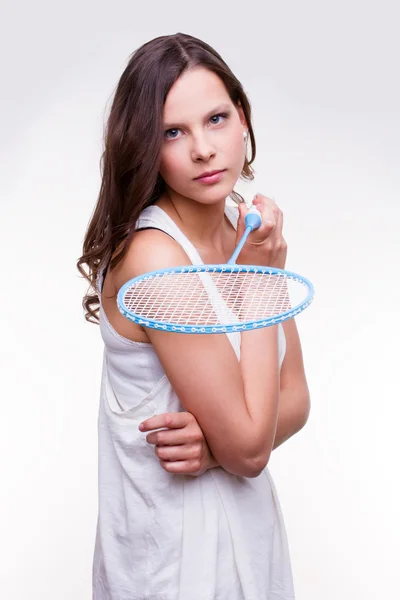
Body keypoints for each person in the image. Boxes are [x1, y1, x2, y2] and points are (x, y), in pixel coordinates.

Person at [77, 32, 310, 600]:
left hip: (248, 546)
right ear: (144, 148)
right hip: (172, 564)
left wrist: (213, 450)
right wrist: (261, 280)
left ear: (244, 119)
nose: (204, 149)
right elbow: (251, 450)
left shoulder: (244, 231)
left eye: (217, 118)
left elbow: (297, 398)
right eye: (173, 132)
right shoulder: (154, 259)